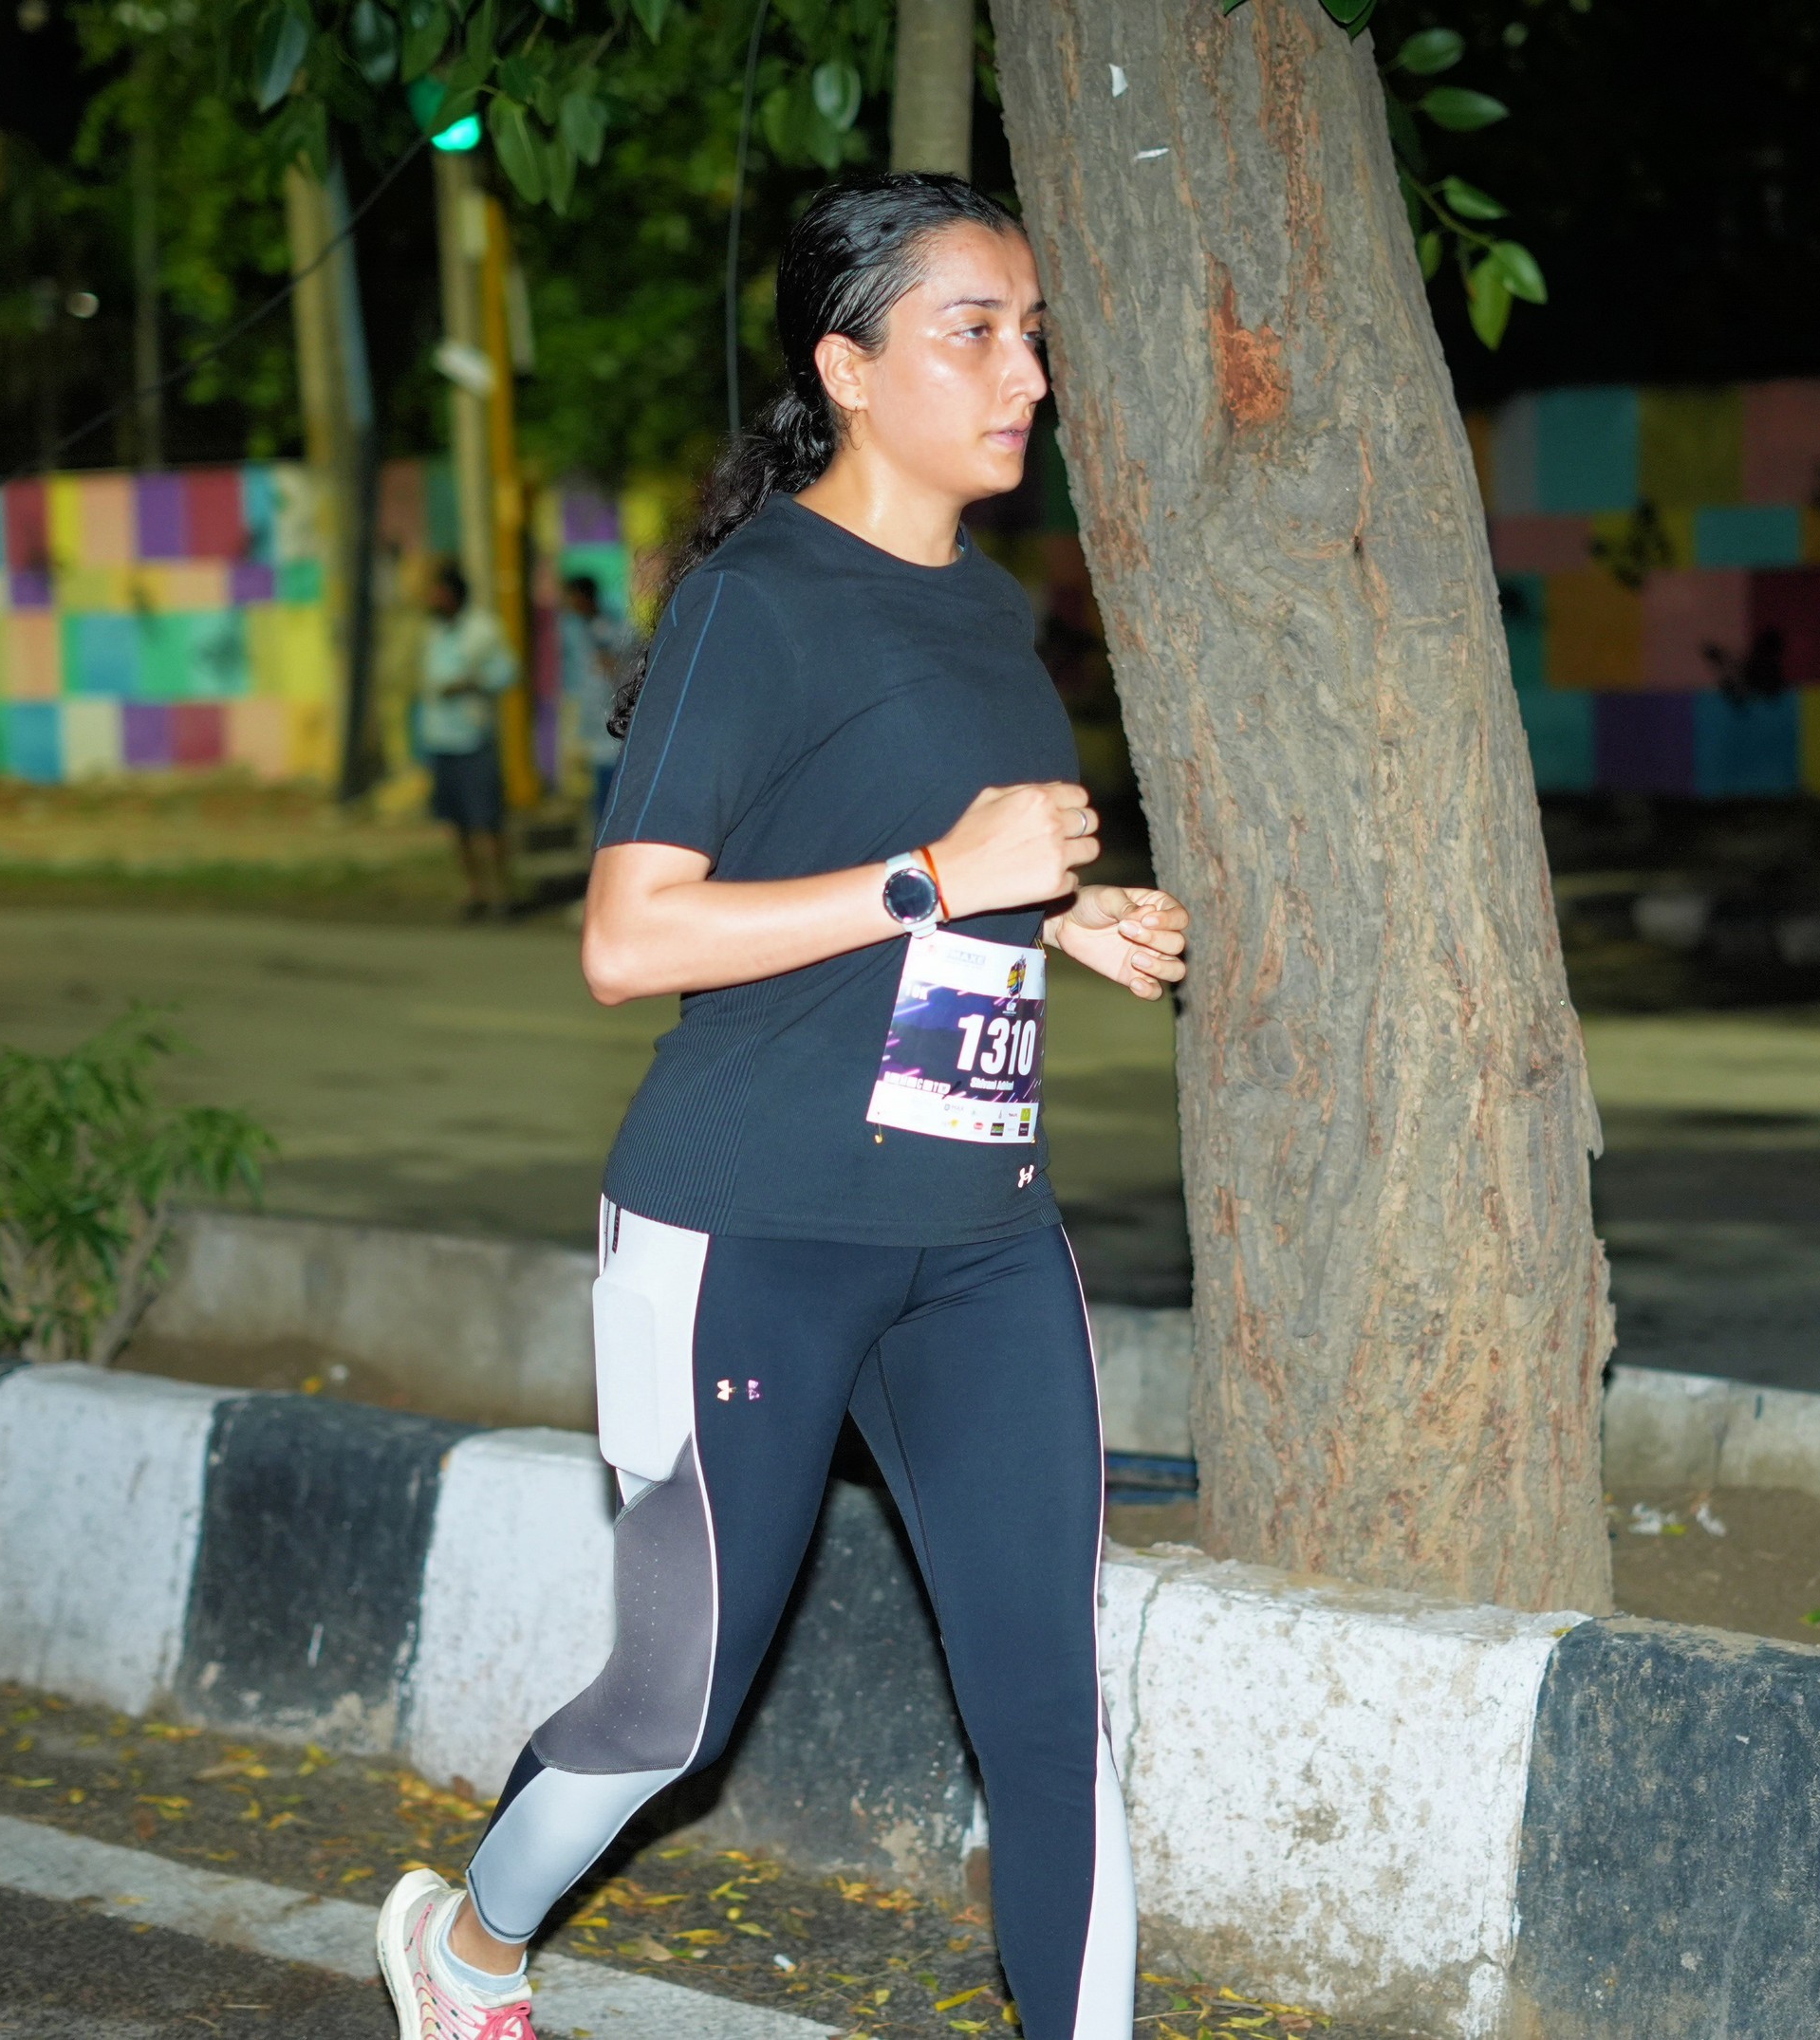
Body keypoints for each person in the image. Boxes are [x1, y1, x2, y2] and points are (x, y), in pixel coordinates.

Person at [374, 175, 1188, 2040]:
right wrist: (942, 875)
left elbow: (910, 865)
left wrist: (1057, 918)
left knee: (1047, 1710)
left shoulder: (988, 610)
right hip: (747, 1231)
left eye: (1034, 335)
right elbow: (628, 937)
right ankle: (468, 1946)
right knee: (678, 1700)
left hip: (981, 1241)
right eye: (974, 333)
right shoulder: (752, 607)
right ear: (848, 368)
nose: (1028, 376)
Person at [418, 560, 518, 920]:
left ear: (453, 594)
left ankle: (501, 893)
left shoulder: (481, 630)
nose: (431, 599)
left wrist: (470, 683)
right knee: (456, 824)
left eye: (437, 592)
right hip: (441, 740)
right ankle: (474, 892)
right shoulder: (433, 632)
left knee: (486, 822)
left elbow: (507, 673)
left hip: (473, 740)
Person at [554, 573, 635, 842]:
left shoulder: (617, 627)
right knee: (589, 789)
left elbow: (632, 666)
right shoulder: (569, 629)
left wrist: (615, 665)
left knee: (611, 785)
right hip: (586, 716)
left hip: (613, 718)